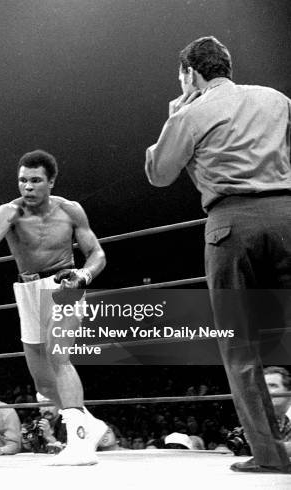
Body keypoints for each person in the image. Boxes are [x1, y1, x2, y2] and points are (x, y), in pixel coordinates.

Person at [145, 36, 291, 473]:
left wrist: (173, 118)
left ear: (190, 74)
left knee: (241, 345)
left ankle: (270, 456)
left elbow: (158, 173)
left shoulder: (190, 112)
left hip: (232, 225)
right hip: (288, 215)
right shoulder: (277, 99)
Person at [0, 149, 108, 465]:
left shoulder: (70, 211)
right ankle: (90, 426)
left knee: (58, 356)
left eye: (36, 180)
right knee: (43, 384)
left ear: (51, 181)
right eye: (23, 180)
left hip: (64, 285)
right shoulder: (9, 212)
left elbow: (97, 254)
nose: (28, 187)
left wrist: (83, 275)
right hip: (27, 290)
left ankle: (78, 443)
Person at [22, 393, 117, 454]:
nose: (46, 409)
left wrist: (49, 436)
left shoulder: (69, 419)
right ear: (39, 408)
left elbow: (71, 453)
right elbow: (36, 450)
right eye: (43, 406)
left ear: (58, 406)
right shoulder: (37, 423)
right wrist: (26, 439)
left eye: (50, 405)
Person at [264, 366, 291, 455]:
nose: (265, 391)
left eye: (272, 386)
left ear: (288, 392)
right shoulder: (259, 417)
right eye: (263, 386)